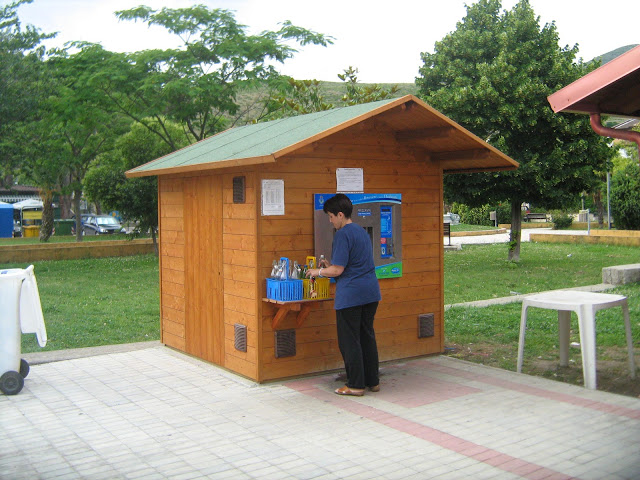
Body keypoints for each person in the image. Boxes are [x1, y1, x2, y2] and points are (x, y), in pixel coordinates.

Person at [306, 194, 382, 396]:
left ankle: (356, 385)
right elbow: (349, 265)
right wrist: (329, 267)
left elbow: (338, 271)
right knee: (367, 337)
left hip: (351, 296)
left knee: (350, 341)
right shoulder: (361, 232)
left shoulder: (342, 234)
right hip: (371, 292)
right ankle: (372, 381)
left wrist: (318, 272)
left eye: (331, 217)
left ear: (340, 215)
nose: (330, 221)